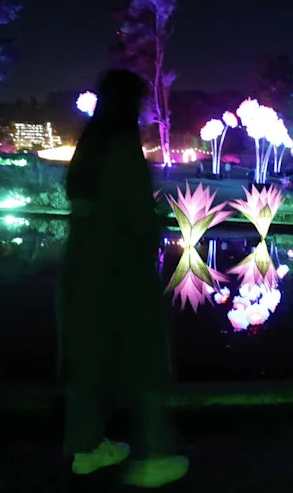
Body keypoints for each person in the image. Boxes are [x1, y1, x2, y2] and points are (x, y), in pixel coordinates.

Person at [60, 69, 189, 487]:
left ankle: (87, 448)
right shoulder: (122, 145)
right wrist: (154, 229)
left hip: (82, 267)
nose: (147, 109)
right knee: (145, 356)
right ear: (129, 103)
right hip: (122, 270)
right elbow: (133, 214)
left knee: (89, 356)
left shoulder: (91, 142)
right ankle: (153, 454)